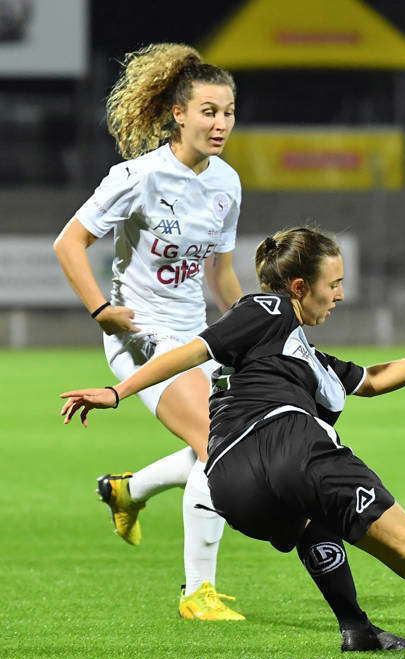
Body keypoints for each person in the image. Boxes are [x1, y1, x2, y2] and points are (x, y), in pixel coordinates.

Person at [59, 227, 405, 656]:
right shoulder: (267, 308)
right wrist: (118, 390)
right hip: (288, 441)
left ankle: (356, 628)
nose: (341, 295)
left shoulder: (301, 352)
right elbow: (195, 350)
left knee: (312, 523)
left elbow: (369, 381)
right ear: (300, 287)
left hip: (230, 483)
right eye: (335, 284)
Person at [52, 43, 247, 620]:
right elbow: (69, 243)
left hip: (196, 335)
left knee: (240, 439)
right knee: (218, 447)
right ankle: (197, 594)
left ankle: (126, 490)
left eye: (229, 111)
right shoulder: (136, 177)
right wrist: (100, 310)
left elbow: (221, 273)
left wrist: (253, 331)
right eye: (209, 111)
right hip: (139, 335)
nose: (220, 123)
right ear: (178, 114)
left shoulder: (227, 184)